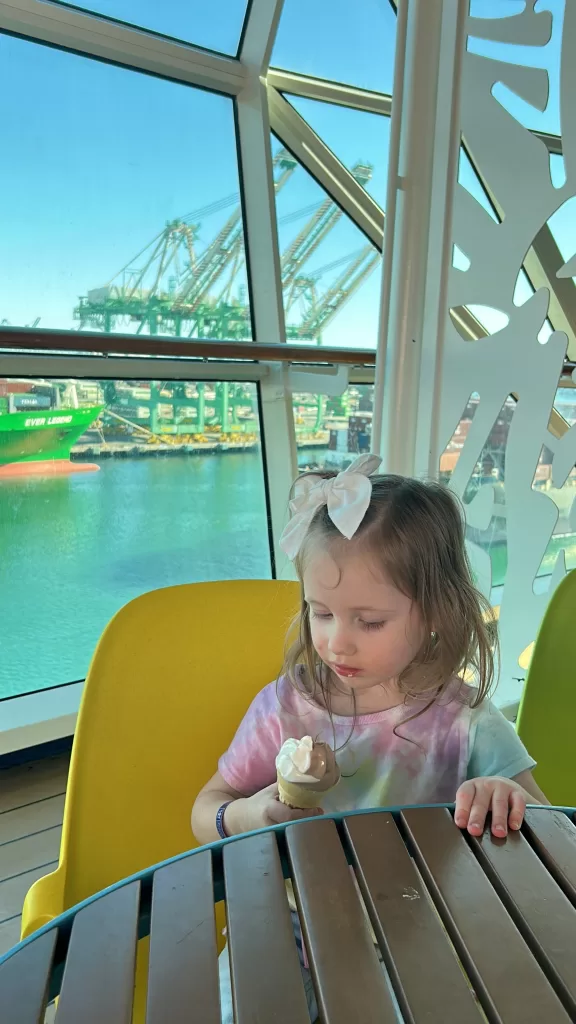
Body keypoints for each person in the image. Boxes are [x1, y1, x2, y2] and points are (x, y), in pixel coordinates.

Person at [192, 454, 547, 1021]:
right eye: (320, 612)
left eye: (370, 621)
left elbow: (546, 824)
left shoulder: (465, 720)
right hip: (289, 926)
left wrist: (504, 797)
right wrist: (245, 815)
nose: (337, 643)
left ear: (435, 610)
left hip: (425, 932)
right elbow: (206, 807)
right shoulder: (284, 708)